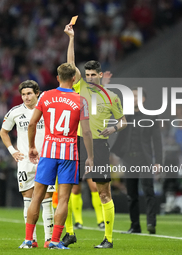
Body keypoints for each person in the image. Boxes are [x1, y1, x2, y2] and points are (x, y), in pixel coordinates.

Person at [63, 24, 127, 248]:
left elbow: (123, 121)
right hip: (76, 143)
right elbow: (70, 65)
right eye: (86, 74)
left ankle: (108, 238)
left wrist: (113, 129)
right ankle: (70, 232)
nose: (89, 78)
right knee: (68, 188)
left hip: (100, 145)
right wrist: (71, 38)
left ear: (100, 75)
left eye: (92, 75)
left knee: (103, 191)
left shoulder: (112, 97)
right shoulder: (80, 87)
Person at [19, 63, 94, 249]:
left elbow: (32, 124)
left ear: (58, 78)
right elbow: (86, 131)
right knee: (63, 199)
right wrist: (91, 156)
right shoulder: (81, 100)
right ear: (74, 79)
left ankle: (29, 240)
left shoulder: (46, 95)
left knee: (37, 196)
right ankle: (54, 241)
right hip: (69, 154)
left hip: (48, 151)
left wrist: (31, 147)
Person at [0, 80, 55, 248]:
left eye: (29, 93)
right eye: (23, 94)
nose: (26, 97)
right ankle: (31, 240)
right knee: (28, 198)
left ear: (37, 93)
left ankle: (49, 239)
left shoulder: (47, 109)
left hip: (45, 159)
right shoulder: (15, 112)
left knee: (47, 197)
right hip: (24, 161)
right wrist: (12, 151)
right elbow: (4, 132)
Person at [111, 88, 163, 235]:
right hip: (129, 159)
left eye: (136, 96)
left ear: (143, 99)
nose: (133, 98)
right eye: (131, 96)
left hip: (145, 159)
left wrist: (158, 161)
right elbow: (118, 137)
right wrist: (116, 154)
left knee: (148, 191)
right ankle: (135, 226)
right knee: (131, 194)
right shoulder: (124, 116)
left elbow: (157, 141)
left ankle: (151, 223)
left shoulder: (151, 117)